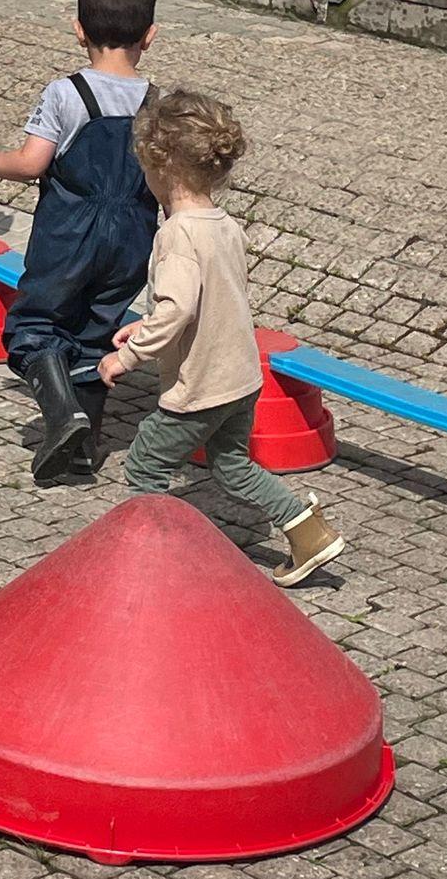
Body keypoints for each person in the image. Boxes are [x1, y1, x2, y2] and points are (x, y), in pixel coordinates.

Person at [101, 89, 346, 588]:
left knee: (146, 462)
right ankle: (308, 531)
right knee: (232, 464)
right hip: (242, 377)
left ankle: (152, 558)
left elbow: (178, 309)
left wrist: (128, 357)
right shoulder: (225, 225)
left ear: (161, 167)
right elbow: (205, 300)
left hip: (202, 385)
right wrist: (147, 324)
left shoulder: (177, 234)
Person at [0, 0, 159, 481]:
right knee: (98, 333)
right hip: (133, 236)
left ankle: (62, 415)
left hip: (70, 232)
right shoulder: (156, 104)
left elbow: (32, 163)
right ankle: (84, 450)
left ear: (78, 29)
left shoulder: (66, 93)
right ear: (149, 35)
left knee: (35, 325)